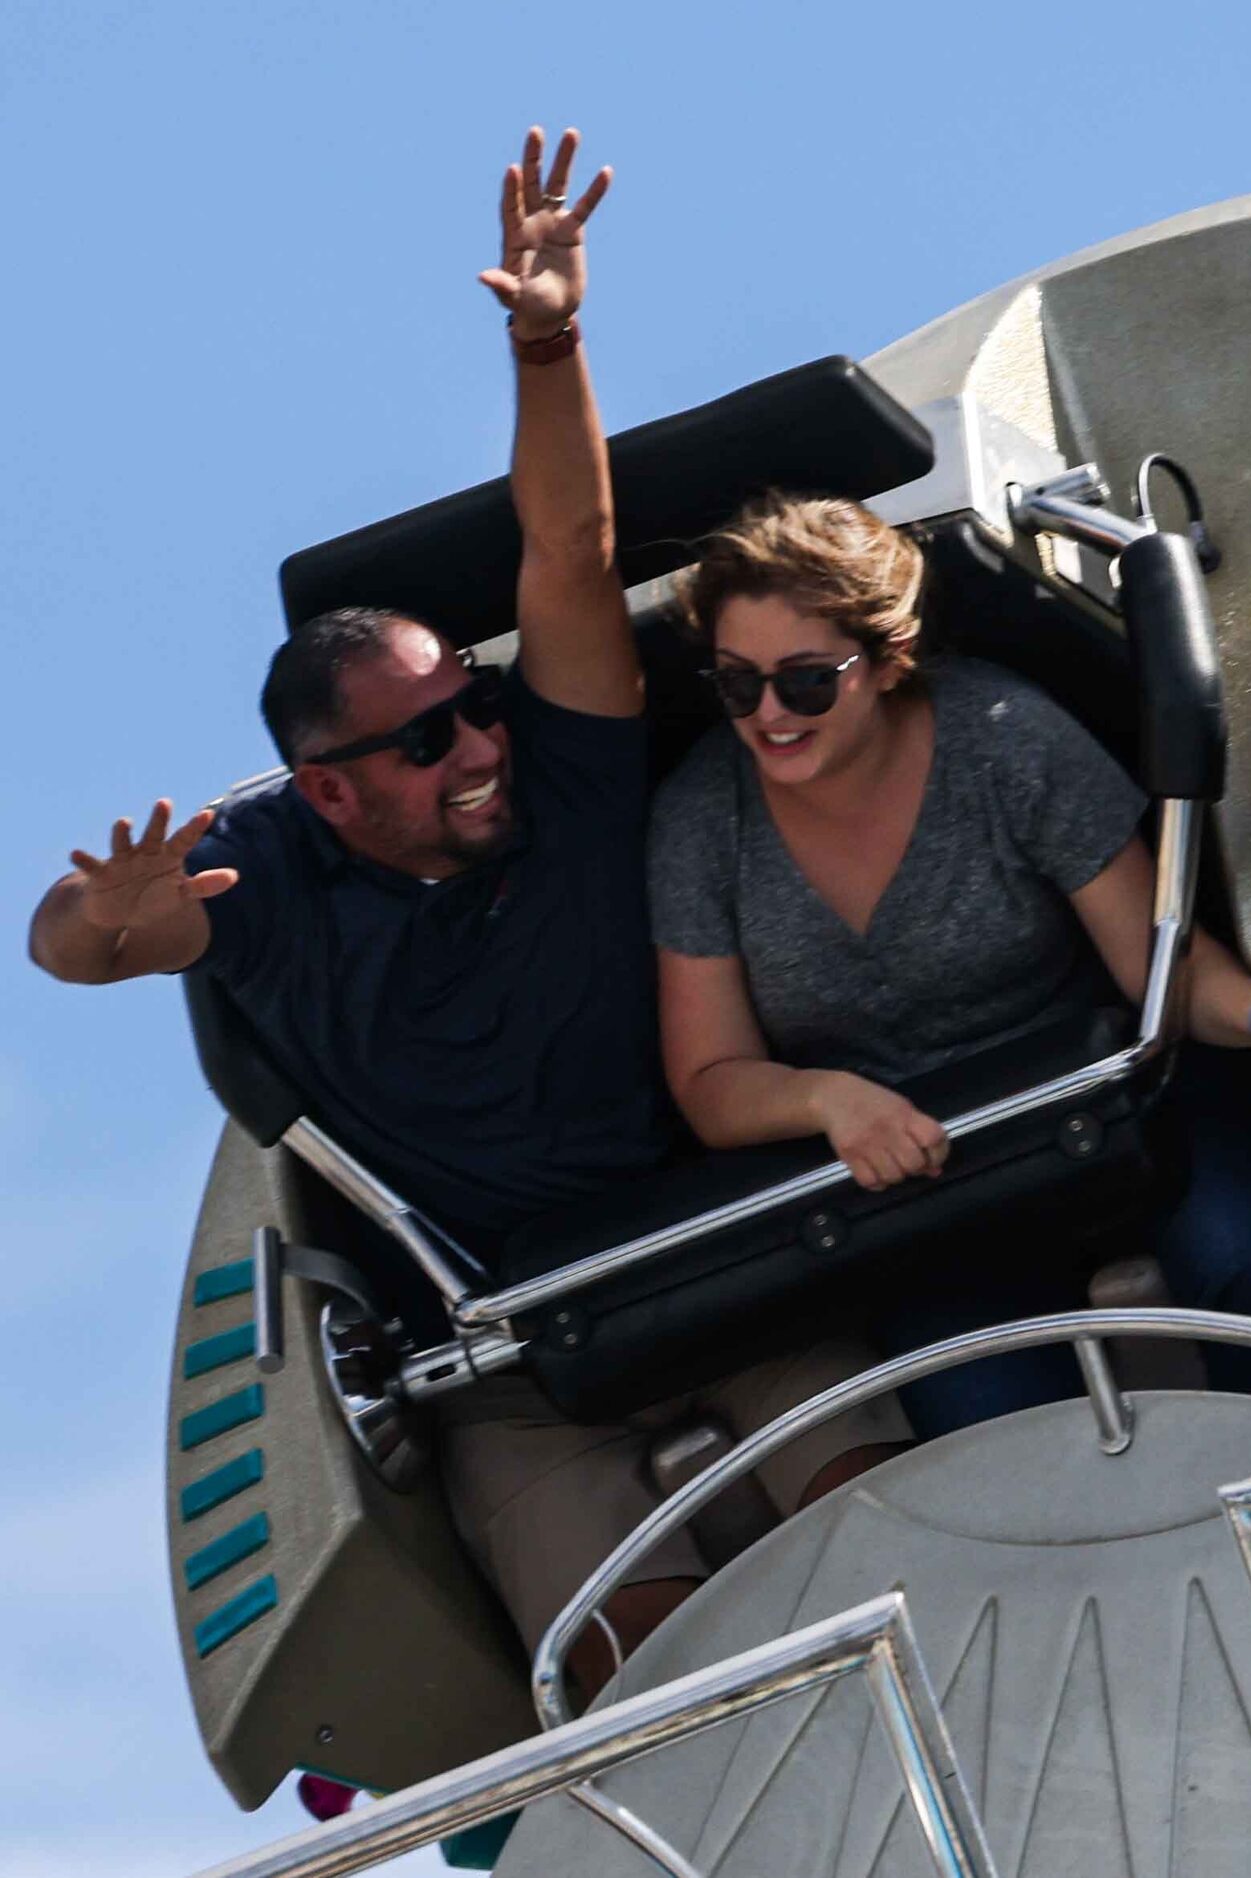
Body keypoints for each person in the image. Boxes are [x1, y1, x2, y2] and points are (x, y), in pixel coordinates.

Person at [25, 131, 908, 1696]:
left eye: (477, 703)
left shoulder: (558, 772)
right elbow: (89, 951)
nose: (482, 744)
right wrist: (100, 920)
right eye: (429, 739)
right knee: (640, 1673)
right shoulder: (268, 875)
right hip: (522, 1353)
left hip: (727, 1248)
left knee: (889, 1530)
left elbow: (568, 549)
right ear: (331, 789)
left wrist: (546, 335)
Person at [647, 494, 1251, 1433]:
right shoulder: (699, 823)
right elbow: (712, 1080)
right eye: (735, 685)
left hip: (1114, 1102)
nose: (768, 714)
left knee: (1246, 1256)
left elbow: (1162, 967)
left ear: (885, 663)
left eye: (804, 682)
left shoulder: (1002, 736)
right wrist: (829, 1100)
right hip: (923, 1180)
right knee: (977, 1405)